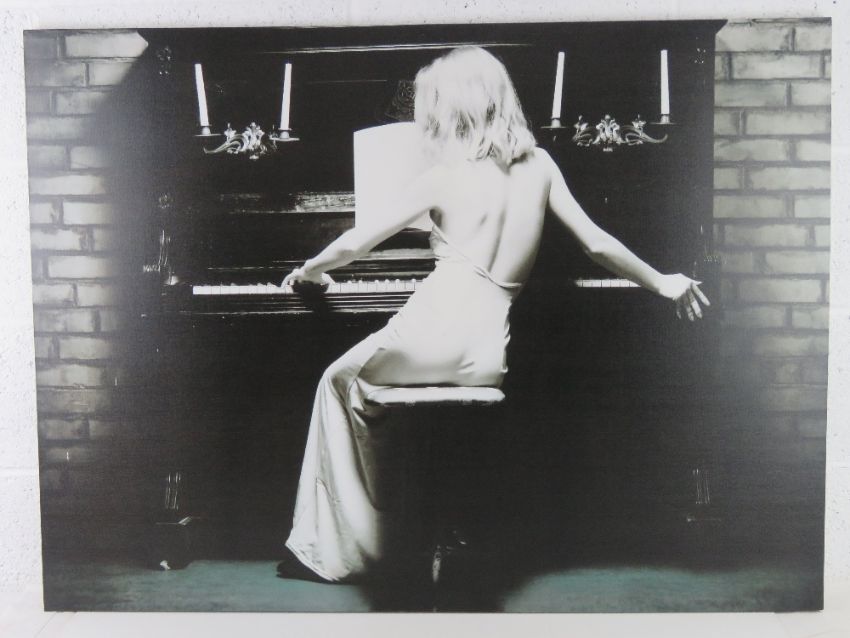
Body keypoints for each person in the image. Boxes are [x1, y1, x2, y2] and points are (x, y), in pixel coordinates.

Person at [276, 46, 709, 583]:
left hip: (427, 333)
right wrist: (664, 282)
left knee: (336, 384)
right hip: (485, 356)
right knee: (368, 395)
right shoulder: (541, 166)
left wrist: (310, 271)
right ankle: (415, 533)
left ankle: (350, 548)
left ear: (449, 108)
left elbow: (355, 243)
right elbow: (597, 244)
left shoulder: (443, 175)